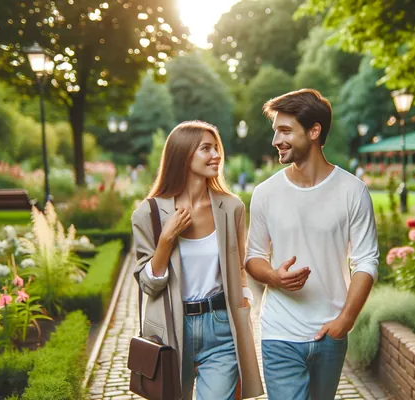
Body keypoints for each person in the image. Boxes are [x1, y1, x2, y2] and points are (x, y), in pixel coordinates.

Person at [244, 89, 380, 400]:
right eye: (275, 130)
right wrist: (273, 276)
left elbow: (366, 261)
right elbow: (253, 256)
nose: (276, 140)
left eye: (286, 130)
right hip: (279, 333)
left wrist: (344, 322)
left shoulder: (352, 191)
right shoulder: (266, 193)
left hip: (330, 333)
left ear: (314, 131)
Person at [131, 120, 263, 400]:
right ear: (183, 154)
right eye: (206, 149)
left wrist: (243, 304)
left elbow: (238, 265)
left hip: (221, 326)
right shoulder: (148, 214)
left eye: (216, 148)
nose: (216, 155)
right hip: (170, 328)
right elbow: (148, 284)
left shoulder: (231, 208)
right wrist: (166, 240)